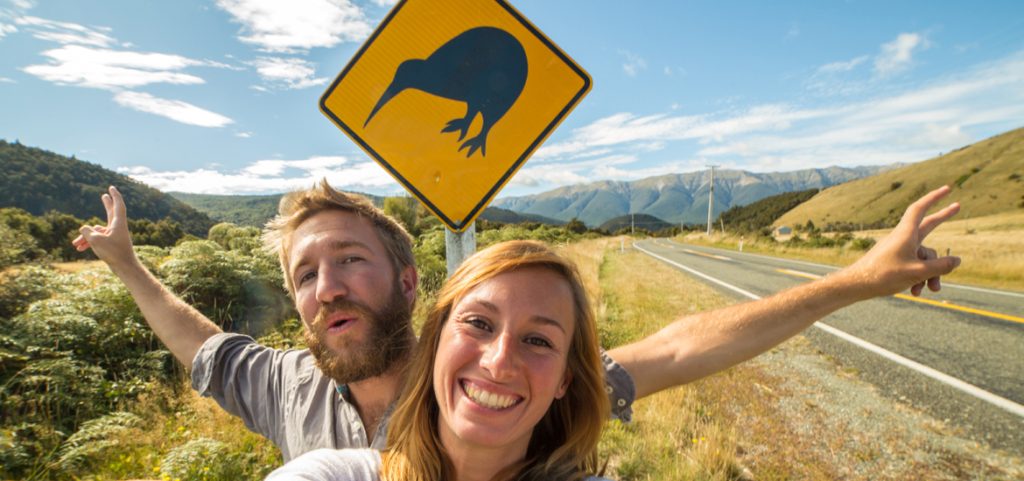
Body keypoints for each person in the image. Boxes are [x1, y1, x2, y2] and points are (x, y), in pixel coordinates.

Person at [72, 179, 961, 461]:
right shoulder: (282, 387)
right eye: (305, 273)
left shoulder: (492, 374)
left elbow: (682, 345)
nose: (327, 286)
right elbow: (197, 341)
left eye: (349, 259)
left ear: (411, 279)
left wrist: (853, 279)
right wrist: (126, 264)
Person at [266, 241, 611, 481]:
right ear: (435, 341)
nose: (498, 362)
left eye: (537, 341)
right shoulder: (337, 475)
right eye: (478, 323)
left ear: (564, 379)